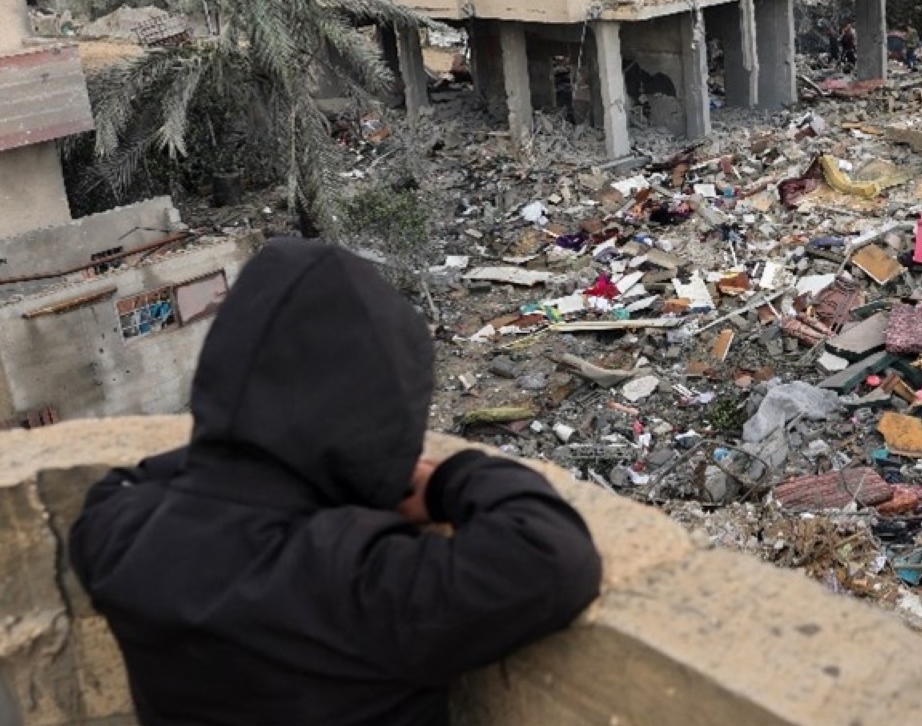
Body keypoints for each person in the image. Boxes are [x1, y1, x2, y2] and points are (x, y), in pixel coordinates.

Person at [71, 240, 602, 726]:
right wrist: (446, 480)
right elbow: (553, 557)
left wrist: (232, 444)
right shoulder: (356, 584)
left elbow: (136, 478)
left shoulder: (117, 534)